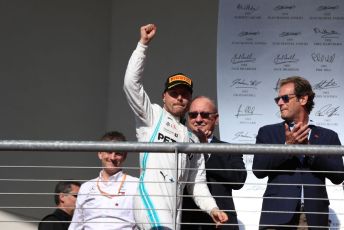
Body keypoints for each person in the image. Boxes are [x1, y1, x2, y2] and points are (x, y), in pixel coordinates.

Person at [123, 24, 228, 229]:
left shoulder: (193, 139)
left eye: (185, 94)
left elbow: (197, 184)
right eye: (174, 93)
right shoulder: (152, 115)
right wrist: (142, 45)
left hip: (174, 211)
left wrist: (213, 209)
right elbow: (131, 85)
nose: (180, 98)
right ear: (164, 96)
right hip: (150, 201)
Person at [252, 76, 344, 229]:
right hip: (276, 214)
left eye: (285, 98)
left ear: (303, 100)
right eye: (278, 99)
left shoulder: (328, 136)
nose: (280, 103)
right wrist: (287, 148)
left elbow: (338, 175)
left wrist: (310, 151)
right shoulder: (268, 132)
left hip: (312, 217)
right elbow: (258, 170)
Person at [181, 96, 247, 230]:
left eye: (204, 115)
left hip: (221, 222)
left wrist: (205, 148)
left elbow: (239, 180)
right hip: (187, 223)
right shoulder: (179, 147)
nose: (198, 119)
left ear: (216, 119)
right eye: (193, 115)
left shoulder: (229, 149)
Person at [69, 131, 139, 230]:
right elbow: (76, 225)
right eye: (109, 152)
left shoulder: (136, 185)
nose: (112, 157)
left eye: (118, 153)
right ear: (100, 154)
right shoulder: (86, 187)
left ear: (125, 157)